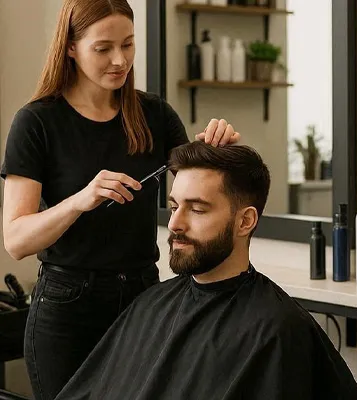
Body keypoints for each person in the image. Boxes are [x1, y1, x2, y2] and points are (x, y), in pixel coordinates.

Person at [1, 1, 240, 399]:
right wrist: (80, 200)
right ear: (71, 47)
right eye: (103, 48)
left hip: (144, 299)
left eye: (128, 44)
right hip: (67, 310)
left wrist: (219, 153)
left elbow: (197, 192)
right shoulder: (37, 122)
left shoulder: (155, 115)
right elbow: (16, 240)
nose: (120, 60)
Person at [53, 141, 357, 400]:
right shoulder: (151, 304)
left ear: (245, 221)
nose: (175, 224)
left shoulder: (277, 329)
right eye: (174, 207)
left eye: (197, 209)